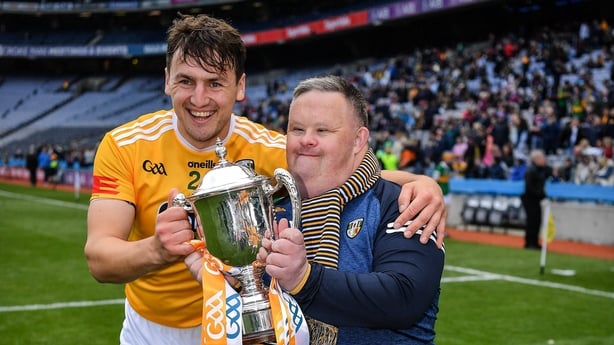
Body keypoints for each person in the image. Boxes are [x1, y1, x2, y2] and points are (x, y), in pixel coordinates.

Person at [84, 13, 447, 344]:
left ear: (240, 87)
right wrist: (157, 249)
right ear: (167, 81)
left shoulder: (271, 149)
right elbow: (99, 258)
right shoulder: (124, 145)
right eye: (185, 81)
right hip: (150, 326)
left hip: (242, 326)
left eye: (214, 83)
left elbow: (346, 165)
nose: (199, 98)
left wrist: (422, 183)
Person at [256, 75, 445, 344]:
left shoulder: (405, 202)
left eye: (323, 130)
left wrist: (304, 280)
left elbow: (404, 296)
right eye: (297, 129)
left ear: (358, 140)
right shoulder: (273, 211)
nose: (306, 140)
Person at [520, 149, 552, 249]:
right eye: (542, 158)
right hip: (530, 200)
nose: (544, 160)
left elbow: (549, 171)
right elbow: (530, 188)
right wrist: (541, 194)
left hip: (536, 199)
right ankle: (530, 242)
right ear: (536, 159)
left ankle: (534, 241)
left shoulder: (540, 170)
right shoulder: (531, 171)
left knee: (537, 221)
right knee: (532, 221)